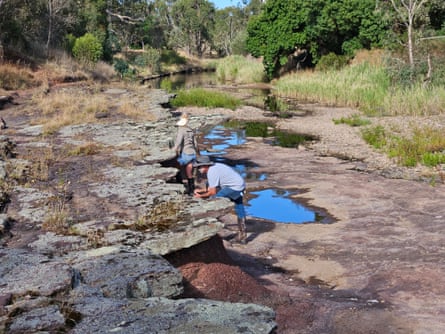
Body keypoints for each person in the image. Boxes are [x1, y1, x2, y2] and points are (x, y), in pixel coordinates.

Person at [193, 155, 247, 244]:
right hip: (239, 184)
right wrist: (201, 190)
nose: (198, 169)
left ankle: (209, 228)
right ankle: (243, 236)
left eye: (199, 167)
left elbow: (212, 192)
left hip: (234, 187)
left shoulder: (211, 172)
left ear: (205, 165)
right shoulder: (216, 167)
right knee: (239, 207)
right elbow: (213, 186)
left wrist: (201, 196)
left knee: (213, 202)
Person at [172, 112, 198, 195]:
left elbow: (179, 141)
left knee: (177, 164)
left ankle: (180, 183)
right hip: (192, 152)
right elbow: (195, 144)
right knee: (189, 170)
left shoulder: (181, 129)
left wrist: (174, 149)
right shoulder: (191, 130)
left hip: (186, 152)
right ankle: (191, 188)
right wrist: (198, 152)